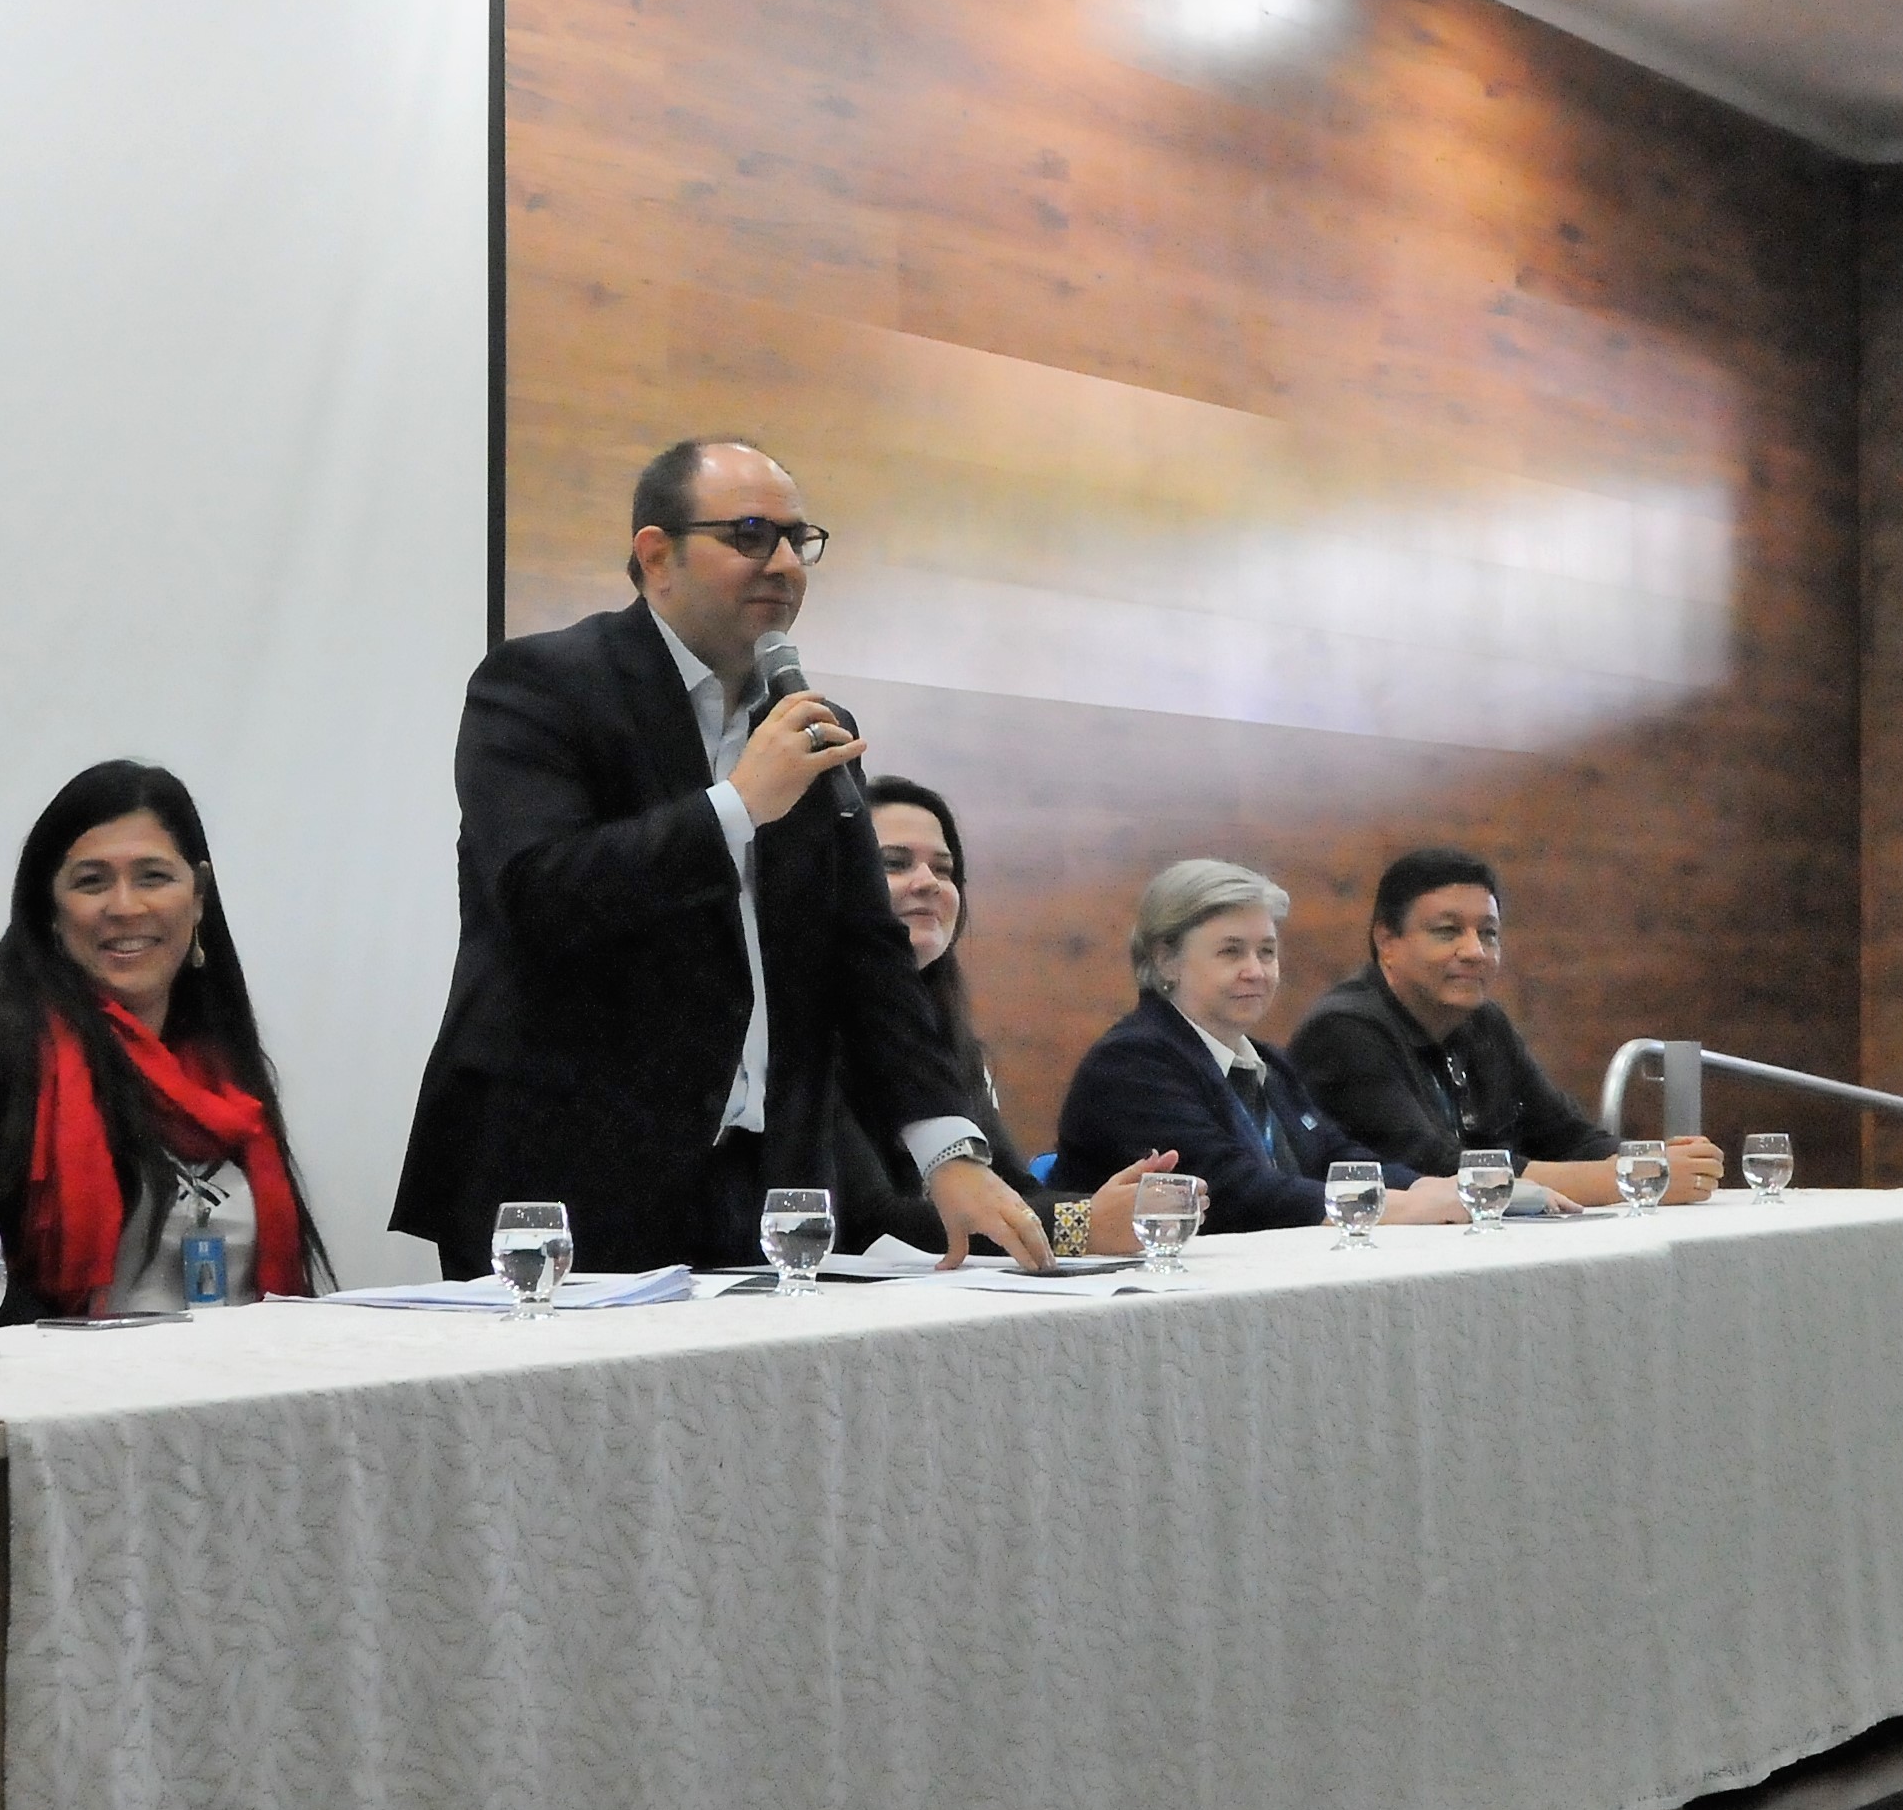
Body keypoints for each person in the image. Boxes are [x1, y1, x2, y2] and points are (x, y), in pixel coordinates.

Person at [392, 437, 1050, 1277]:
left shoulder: (808, 724)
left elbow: (867, 954)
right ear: (655, 556)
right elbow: (539, 893)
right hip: (562, 1181)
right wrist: (735, 806)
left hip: (765, 1186)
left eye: (798, 540)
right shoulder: (543, 684)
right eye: (749, 535)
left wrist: (947, 1152)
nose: (784, 564)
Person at [0, 762, 328, 1315]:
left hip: (243, 1366)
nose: (126, 907)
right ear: (50, 908)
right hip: (67, 1370)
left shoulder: (224, 1066)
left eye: (153, 877)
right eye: (92, 881)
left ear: (198, 895)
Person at [834, 775, 1165, 1254]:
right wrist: (1078, 1225)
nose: (928, 883)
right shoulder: (802, 1031)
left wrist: (1115, 1209)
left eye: (945, 870)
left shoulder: (948, 1038)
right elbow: (866, 1221)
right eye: (893, 863)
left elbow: (1012, 1190)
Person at [1291, 846, 1724, 1211]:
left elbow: (1564, 1135)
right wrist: (1636, 1177)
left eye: (1489, 934)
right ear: (1387, 943)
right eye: (1447, 932)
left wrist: (1654, 1159)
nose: (1475, 952)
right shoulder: (1342, 1031)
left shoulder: (1484, 1022)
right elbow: (1436, 1168)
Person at [1053, 861, 1468, 1234]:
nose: (1256, 971)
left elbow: (1333, 1156)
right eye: (1231, 952)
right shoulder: (1131, 1064)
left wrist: (1426, 1187)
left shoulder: (1268, 1063)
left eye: (1266, 952)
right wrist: (1400, 1206)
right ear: (1166, 961)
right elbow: (1232, 1192)